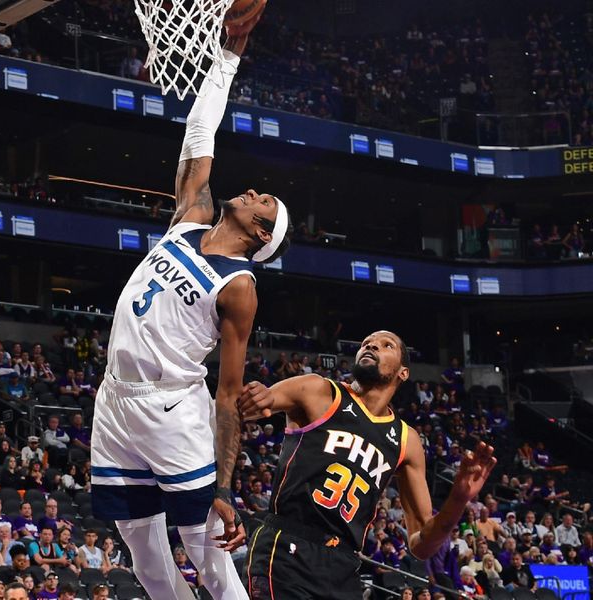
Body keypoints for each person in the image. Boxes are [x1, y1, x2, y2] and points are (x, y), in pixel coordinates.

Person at [90, 9, 288, 600]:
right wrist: (226, 58)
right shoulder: (190, 218)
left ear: (260, 237)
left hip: (174, 409)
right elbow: (199, 137)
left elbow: (228, 393)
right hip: (115, 398)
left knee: (208, 552)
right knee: (145, 556)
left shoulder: (239, 286)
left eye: (264, 204)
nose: (253, 192)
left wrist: (226, 485)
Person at [238, 330, 497, 599]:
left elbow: (422, 545)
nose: (372, 345)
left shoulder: (407, 440)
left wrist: (458, 498)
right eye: (366, 343)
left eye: (387, 345)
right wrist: (256, 397)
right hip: (287, 546)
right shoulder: (318, 391)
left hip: (343, 565)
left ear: (403, 373)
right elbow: (244, 408)